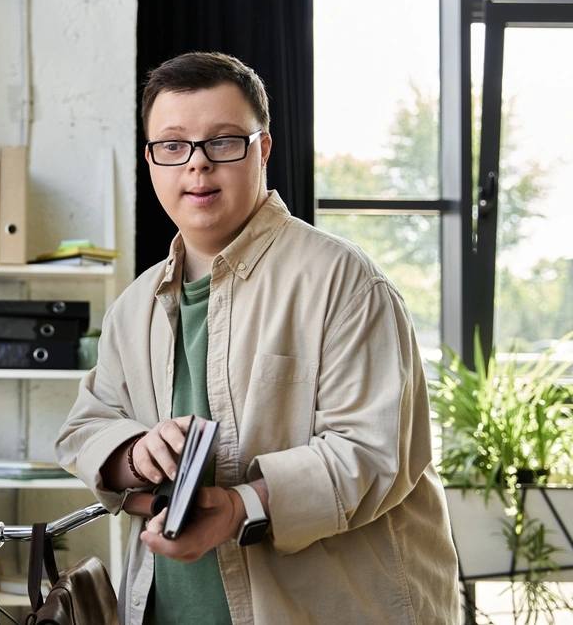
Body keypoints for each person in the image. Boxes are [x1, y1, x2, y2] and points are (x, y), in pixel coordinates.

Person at [55, 51, 460, 624]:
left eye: (223, 142)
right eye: (172, 147)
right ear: (151, 160)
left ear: (263, 149)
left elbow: (374, 454)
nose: (196, 167)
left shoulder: (344, 281)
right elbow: (85, 428)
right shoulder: (135, 305)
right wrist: (136, 453)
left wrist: (241, 506)